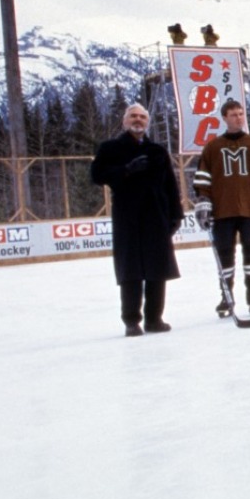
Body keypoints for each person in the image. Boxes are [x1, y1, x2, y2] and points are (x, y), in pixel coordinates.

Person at [91, 103, 185, 337]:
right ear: (124, 121)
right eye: (133, 116)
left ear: (148, 122)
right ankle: (132, 320)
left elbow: (170, 186)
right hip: (128, 216)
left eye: (142, 117)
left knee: (157, 269)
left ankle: (154, 318)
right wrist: (125, 170)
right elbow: (96, 175)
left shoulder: (157, 151)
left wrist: (176, 214)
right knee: (131, 270)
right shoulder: (111, 148)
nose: (138, 120)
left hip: (157, 215)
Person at [192, 99, 250, 315]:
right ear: (224, 118)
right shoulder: (213, 147)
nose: (238, 118)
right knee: (225, 254)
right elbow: (203, 177)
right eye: (233, 115)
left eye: (241, 114)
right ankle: (226, 296)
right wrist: (203, 201)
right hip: (222, 210)